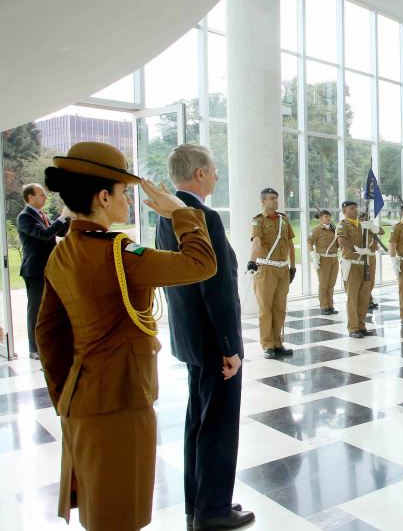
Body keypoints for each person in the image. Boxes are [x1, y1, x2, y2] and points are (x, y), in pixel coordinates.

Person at [36, 142, 217, 531]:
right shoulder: (117, 252)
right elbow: (201, 263)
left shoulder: (62, 251)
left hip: (80, 399)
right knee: (123, 512)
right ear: (103, 197)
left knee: (99, 507)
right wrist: (181, 213)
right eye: (122, 193)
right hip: (121, 399)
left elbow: (47, 334)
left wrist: (65, 395)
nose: (129, 203)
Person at [154, 144, 253, 531]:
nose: (215, 176)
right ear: (198, 174)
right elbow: (218, 288)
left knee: (198, 422)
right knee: (218, 426)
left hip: (191, 337)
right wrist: (231, 347)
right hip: (213, 341)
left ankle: (197, 505)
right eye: (212, 170)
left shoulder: (169, 214)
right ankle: (213, 511)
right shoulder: (201, 216)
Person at [17, 183, 72, 360]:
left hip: (49, 268)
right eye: (41, 195)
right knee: (36, 310)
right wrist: (62, 217)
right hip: (35, 270)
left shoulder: (41, 215)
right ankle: (34, 349)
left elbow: (60, 233)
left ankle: (50, 343)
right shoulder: (25, 217)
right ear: (30, 197)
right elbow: (45, 234)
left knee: (50, 308)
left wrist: (68, 218)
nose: (45, 197)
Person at [247, 188, 296, 359]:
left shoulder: (283, 219)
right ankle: (267, 344)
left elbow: (290, 244)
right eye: (271, 198)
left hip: (283, 268)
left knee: (280, 308)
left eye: (276, 198)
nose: (275, 201)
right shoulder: (258, 221)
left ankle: (278, 342)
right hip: (266, 268)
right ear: (263, 201)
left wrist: (293, 267)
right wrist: (252, 261)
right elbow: (256, 243)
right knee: (265, 308)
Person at [337, 200, 377, 338]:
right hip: (352, 263)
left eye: (356, 208)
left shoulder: (362, 225)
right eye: (351, 208)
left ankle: (361, 325)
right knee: (353, 297)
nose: (355, 210)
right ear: (344, 211)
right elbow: (341, 240)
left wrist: (373, 226)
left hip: (364, 264)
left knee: (364, 297)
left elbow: (379, 233)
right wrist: (357, 249)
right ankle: (353, 327)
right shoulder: (343, 225)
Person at [308, 209, 339, 315]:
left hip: (334, 258)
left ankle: (330, 305)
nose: (328, 218)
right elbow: (309, 243)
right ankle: (324, 306)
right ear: (320, 218)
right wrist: (314, 257)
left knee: (331, 284)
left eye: (329, 216)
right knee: (323, 284)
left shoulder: (333, 230)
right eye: (326, 216)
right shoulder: (316, 230)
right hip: (323, 258)